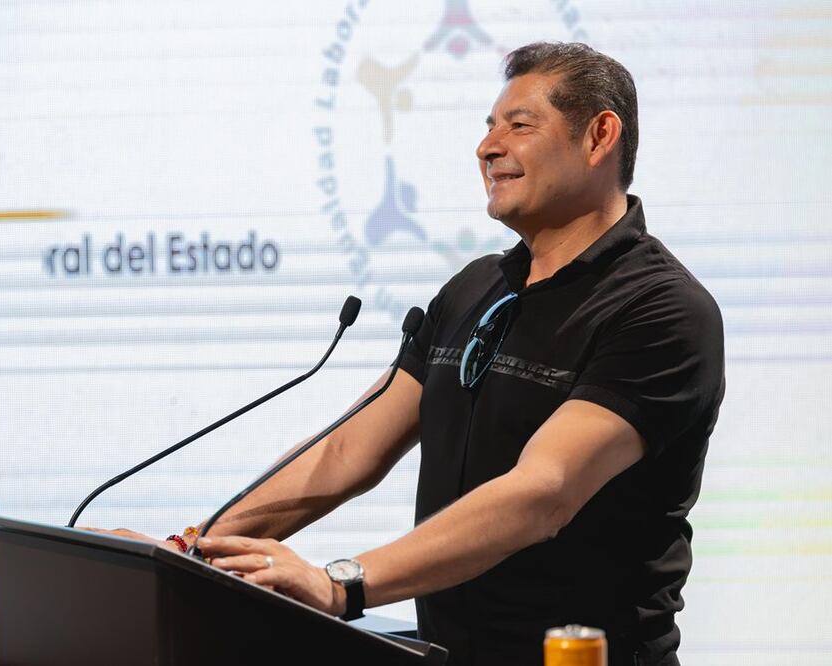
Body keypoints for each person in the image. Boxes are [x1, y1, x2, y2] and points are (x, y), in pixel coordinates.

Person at [94, 42, 725, 665]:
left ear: (598, 137)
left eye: (519, 125)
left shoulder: (661, 311)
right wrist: (192, 551)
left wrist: (344, 583)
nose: (487, 146)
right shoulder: (475, 288)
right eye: (488, 127)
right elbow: (347, 452)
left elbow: (543, 492)